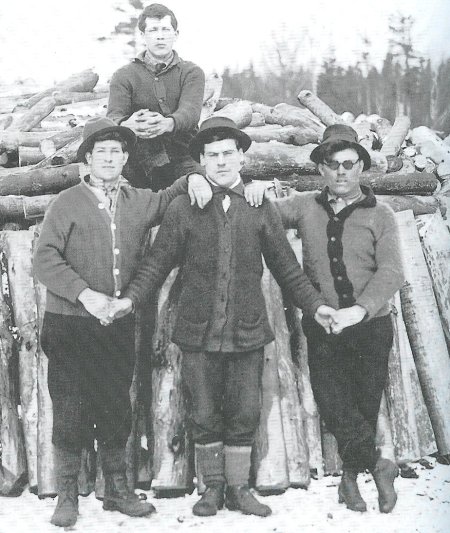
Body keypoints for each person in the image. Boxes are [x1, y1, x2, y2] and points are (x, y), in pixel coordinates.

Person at [108, 116, 336, 518]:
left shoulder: (259, 206)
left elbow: (287, 269)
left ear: (242, 157)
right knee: (204, 412)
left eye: (228, 153)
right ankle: (211, 489)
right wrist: (129, 300)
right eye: (212, 156)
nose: (221, 161)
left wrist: (316, 306)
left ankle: (238, 489)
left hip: (247, 330)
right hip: (197, 331)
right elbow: (156, 264)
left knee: (245, 410)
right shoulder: (183, 207)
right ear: (201, 162)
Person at [33, 116, 212, 528]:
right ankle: (67, 496)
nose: (110, 158)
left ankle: (117, 490)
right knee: (72, 409)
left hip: (115, 325)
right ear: (87, 160)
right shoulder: (67, 202)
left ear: (126, 158)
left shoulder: (137, 200)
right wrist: (86, 295)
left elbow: (171, 194)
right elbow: (45, 260)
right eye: (101, 152)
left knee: (116, 406)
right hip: (71, 325)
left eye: (117, 152)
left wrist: (195, 178)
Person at [267, 124, 405, 513]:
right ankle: (378, 464)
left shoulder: (381, 214)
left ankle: (349, 478)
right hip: (323, 324)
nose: (341, 172)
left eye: (349, 163)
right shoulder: (304, 206)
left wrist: (358, 310)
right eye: (332, 165)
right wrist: (255, 192)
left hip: (371, 324)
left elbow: (392, 272)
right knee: (332, 399)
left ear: (361, 166)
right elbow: (262, 215)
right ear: (321, 170)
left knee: (364, 399)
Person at [107, 3, 206, 190]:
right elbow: (113, 117)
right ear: (143, 36)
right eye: (153, 30)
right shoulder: (123, 75)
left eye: (166, 30)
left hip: (184, 155)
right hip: (139, 160)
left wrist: (167, 124)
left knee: (202, 189)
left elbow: (191, 112)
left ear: (176, 35)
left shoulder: (191, 72)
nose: (160, 36)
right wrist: (127, 125)